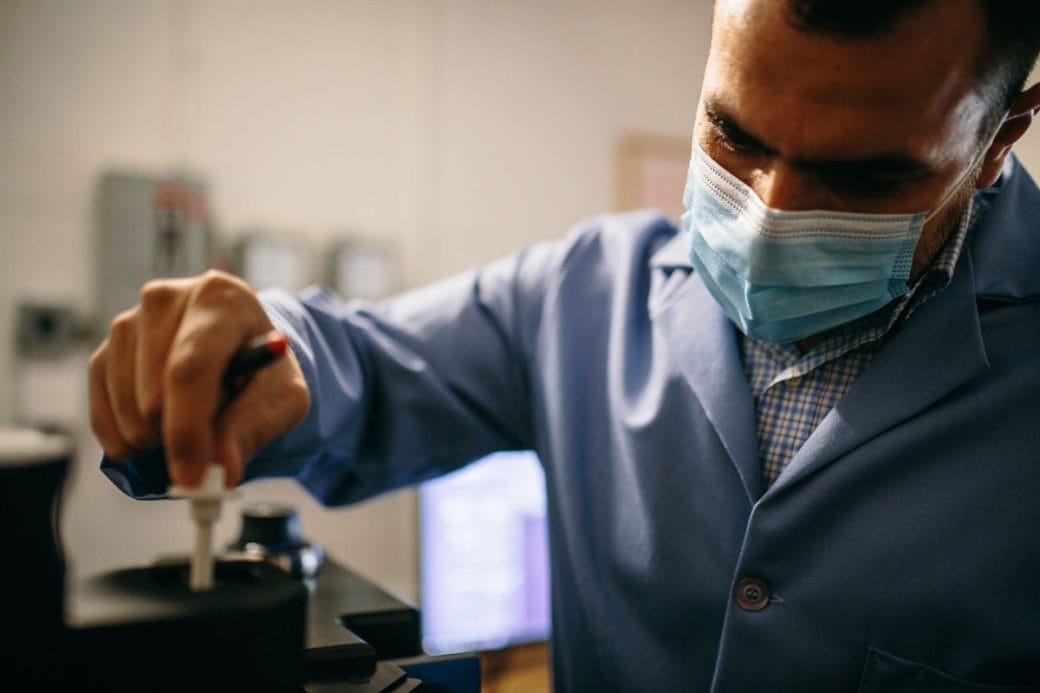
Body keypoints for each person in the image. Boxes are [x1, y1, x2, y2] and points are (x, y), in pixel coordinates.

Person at [89, 0, 1040, 689]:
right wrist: (260, 347)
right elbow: (367, 365)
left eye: (861, 177)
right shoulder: (586, 293)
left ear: (1001, 137)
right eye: (732, 133)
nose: (766, 217)